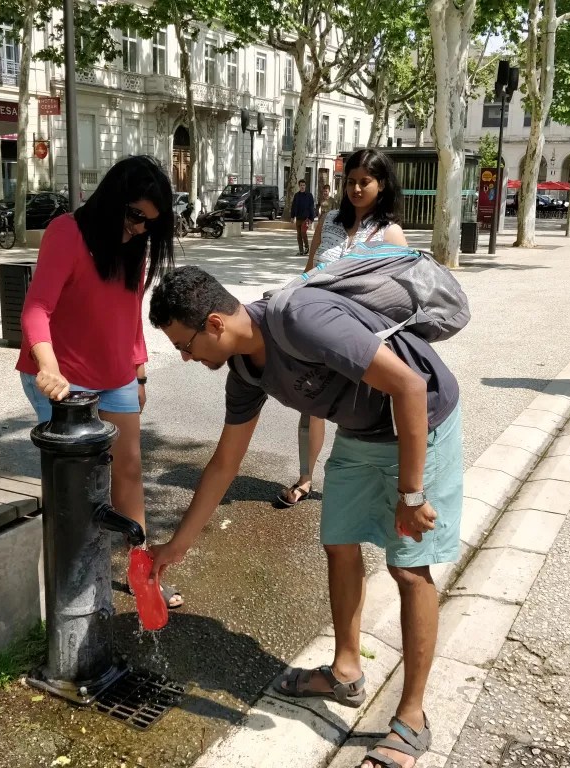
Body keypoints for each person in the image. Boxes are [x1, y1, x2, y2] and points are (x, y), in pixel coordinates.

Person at [148, 265, 462, 768]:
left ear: (213, 324)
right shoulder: (245, 371)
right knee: (339, 543)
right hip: (360, 433)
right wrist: (178, 544)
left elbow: (408, 385)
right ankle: (345, 671)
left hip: (422, 421)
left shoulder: (299, 320)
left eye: (184, 345)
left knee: (408, 567)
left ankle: (413, 716)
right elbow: (225, 463)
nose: (185, 358)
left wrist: (411, 492)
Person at [17, 155, 183, 608]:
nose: (141, 229)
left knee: (127, 471)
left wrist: (140, 370)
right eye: (135, 216)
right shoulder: (66, 233)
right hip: (63, 384)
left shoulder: (137, 245)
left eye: (151, 222)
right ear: (112, 199)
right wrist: (48, 367)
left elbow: (129, 315)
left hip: (116, 378)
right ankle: (78, 581)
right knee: (81, 484)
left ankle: (140, 572)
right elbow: (36, 309)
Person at [278, 149, 408, 508]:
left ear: (381, 186)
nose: (355, 188)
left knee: (362, 414)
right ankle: (306, 479)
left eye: (364, 181)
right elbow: (309, 270)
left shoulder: (390, 233)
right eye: (350, 181)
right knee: (312, 405)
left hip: (362, 337)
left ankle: (366, 486)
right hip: (317, 333)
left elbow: (403, 295)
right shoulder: (330, 220)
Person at [291, 180, 315, 255]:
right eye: (301, 185)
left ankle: (307, 247)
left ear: (305, 186)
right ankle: (301, 250)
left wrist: (311, 218)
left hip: (306, 218)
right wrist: (292, 216)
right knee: (299, 235)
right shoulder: (296, 195)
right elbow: (293, 206)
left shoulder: (309, 195)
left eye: (304, 185)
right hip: (298, 218)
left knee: (303, 232)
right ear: (299, 186)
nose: (302, 187)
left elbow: (311, 207)